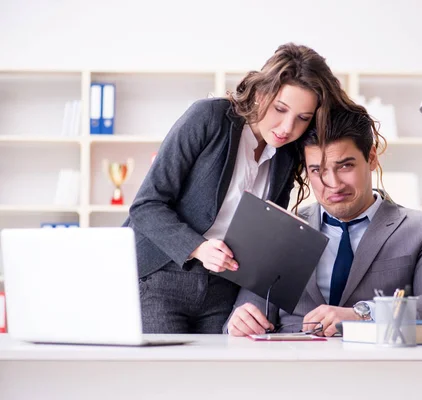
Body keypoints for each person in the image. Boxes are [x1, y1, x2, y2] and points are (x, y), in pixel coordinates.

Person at [124, 43, 351, 334]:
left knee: (222, 377)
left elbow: (264, 229)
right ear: (260, 93)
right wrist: (198, 247)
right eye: (280, 109)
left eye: (303, 118)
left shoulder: (286, 153)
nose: (286, 127)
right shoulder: (208, 117)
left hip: (224, 291)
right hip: (162, 277)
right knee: (167, 375)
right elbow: (146, 205)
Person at [226, 106, 422, 337]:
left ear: (372, 158)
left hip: (379, 370)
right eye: (317, 171)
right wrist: (239, 323)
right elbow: (242, 319)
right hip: (293, 370)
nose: (333, 183)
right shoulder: (278, 228)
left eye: (345, 166)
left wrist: (364, 315)